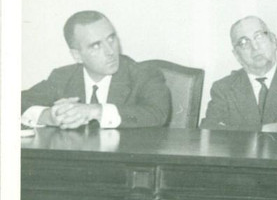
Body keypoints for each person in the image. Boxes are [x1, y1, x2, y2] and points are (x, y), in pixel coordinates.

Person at [20, 10, 170, 129]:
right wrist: (49, 116)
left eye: (111, 39)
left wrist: (94, 111)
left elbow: (157, 113)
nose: (110, 51)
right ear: (77, 55)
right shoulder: (62, 77)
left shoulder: (144, 73)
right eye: (96, 45)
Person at [201, 16, 277, 132]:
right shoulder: (223, 88)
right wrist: (261, 129)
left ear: (273, 41)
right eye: (244, 42)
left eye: (259, 37)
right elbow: (208, 130)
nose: (255, 47)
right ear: (236, 55)